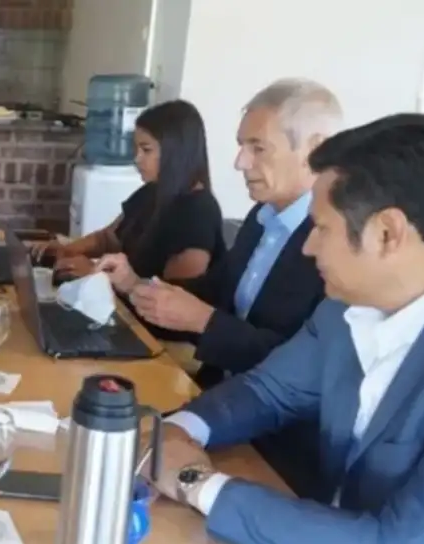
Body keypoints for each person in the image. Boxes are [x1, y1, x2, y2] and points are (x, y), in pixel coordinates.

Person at [154, 113, 424, 544]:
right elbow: (267, 390)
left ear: (387, 233)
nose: (309, 248)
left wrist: (196, 482)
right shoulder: (350, 302)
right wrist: (177, 431)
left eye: (321, 228)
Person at [98, 79, 340, 500]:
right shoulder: (261, 220)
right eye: (241, 146)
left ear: (315, 149)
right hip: (213, 403)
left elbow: (298, 371)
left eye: (258, 148)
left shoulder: (335, 246)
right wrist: (135, 285)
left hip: (277, 448)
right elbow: (213, 293)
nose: (240, 162)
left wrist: (204, 321)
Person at [32, 99, 224, 284]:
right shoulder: (151, 192)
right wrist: (67, 250)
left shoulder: (199, 214)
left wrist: (95, 274)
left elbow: (171, 296)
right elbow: (107, 239)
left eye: (146, 150)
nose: (137, 158)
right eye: (136, 148)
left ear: (176, 152)